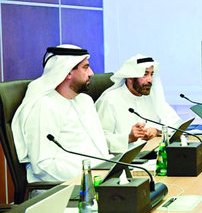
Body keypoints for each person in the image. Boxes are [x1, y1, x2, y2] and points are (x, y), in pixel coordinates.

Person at [12, 44, 110, 182]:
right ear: (67, 72)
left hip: (98, 178)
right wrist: (89, 177)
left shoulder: (85, 101)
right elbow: (43, 166)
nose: (91, 73)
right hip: (63, 186)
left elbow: (100, 150)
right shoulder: (44, 106)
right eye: (85, 67)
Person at [96, 54, 181, 153]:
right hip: (125, 158)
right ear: (130, 77)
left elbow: (175, 121)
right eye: (145, 74)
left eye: (151, 74)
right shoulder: (110, 100)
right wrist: (128, 138)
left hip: (152, 152)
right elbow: (99, 140)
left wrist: (156, 130)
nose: (150, 80)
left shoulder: (151, 96)